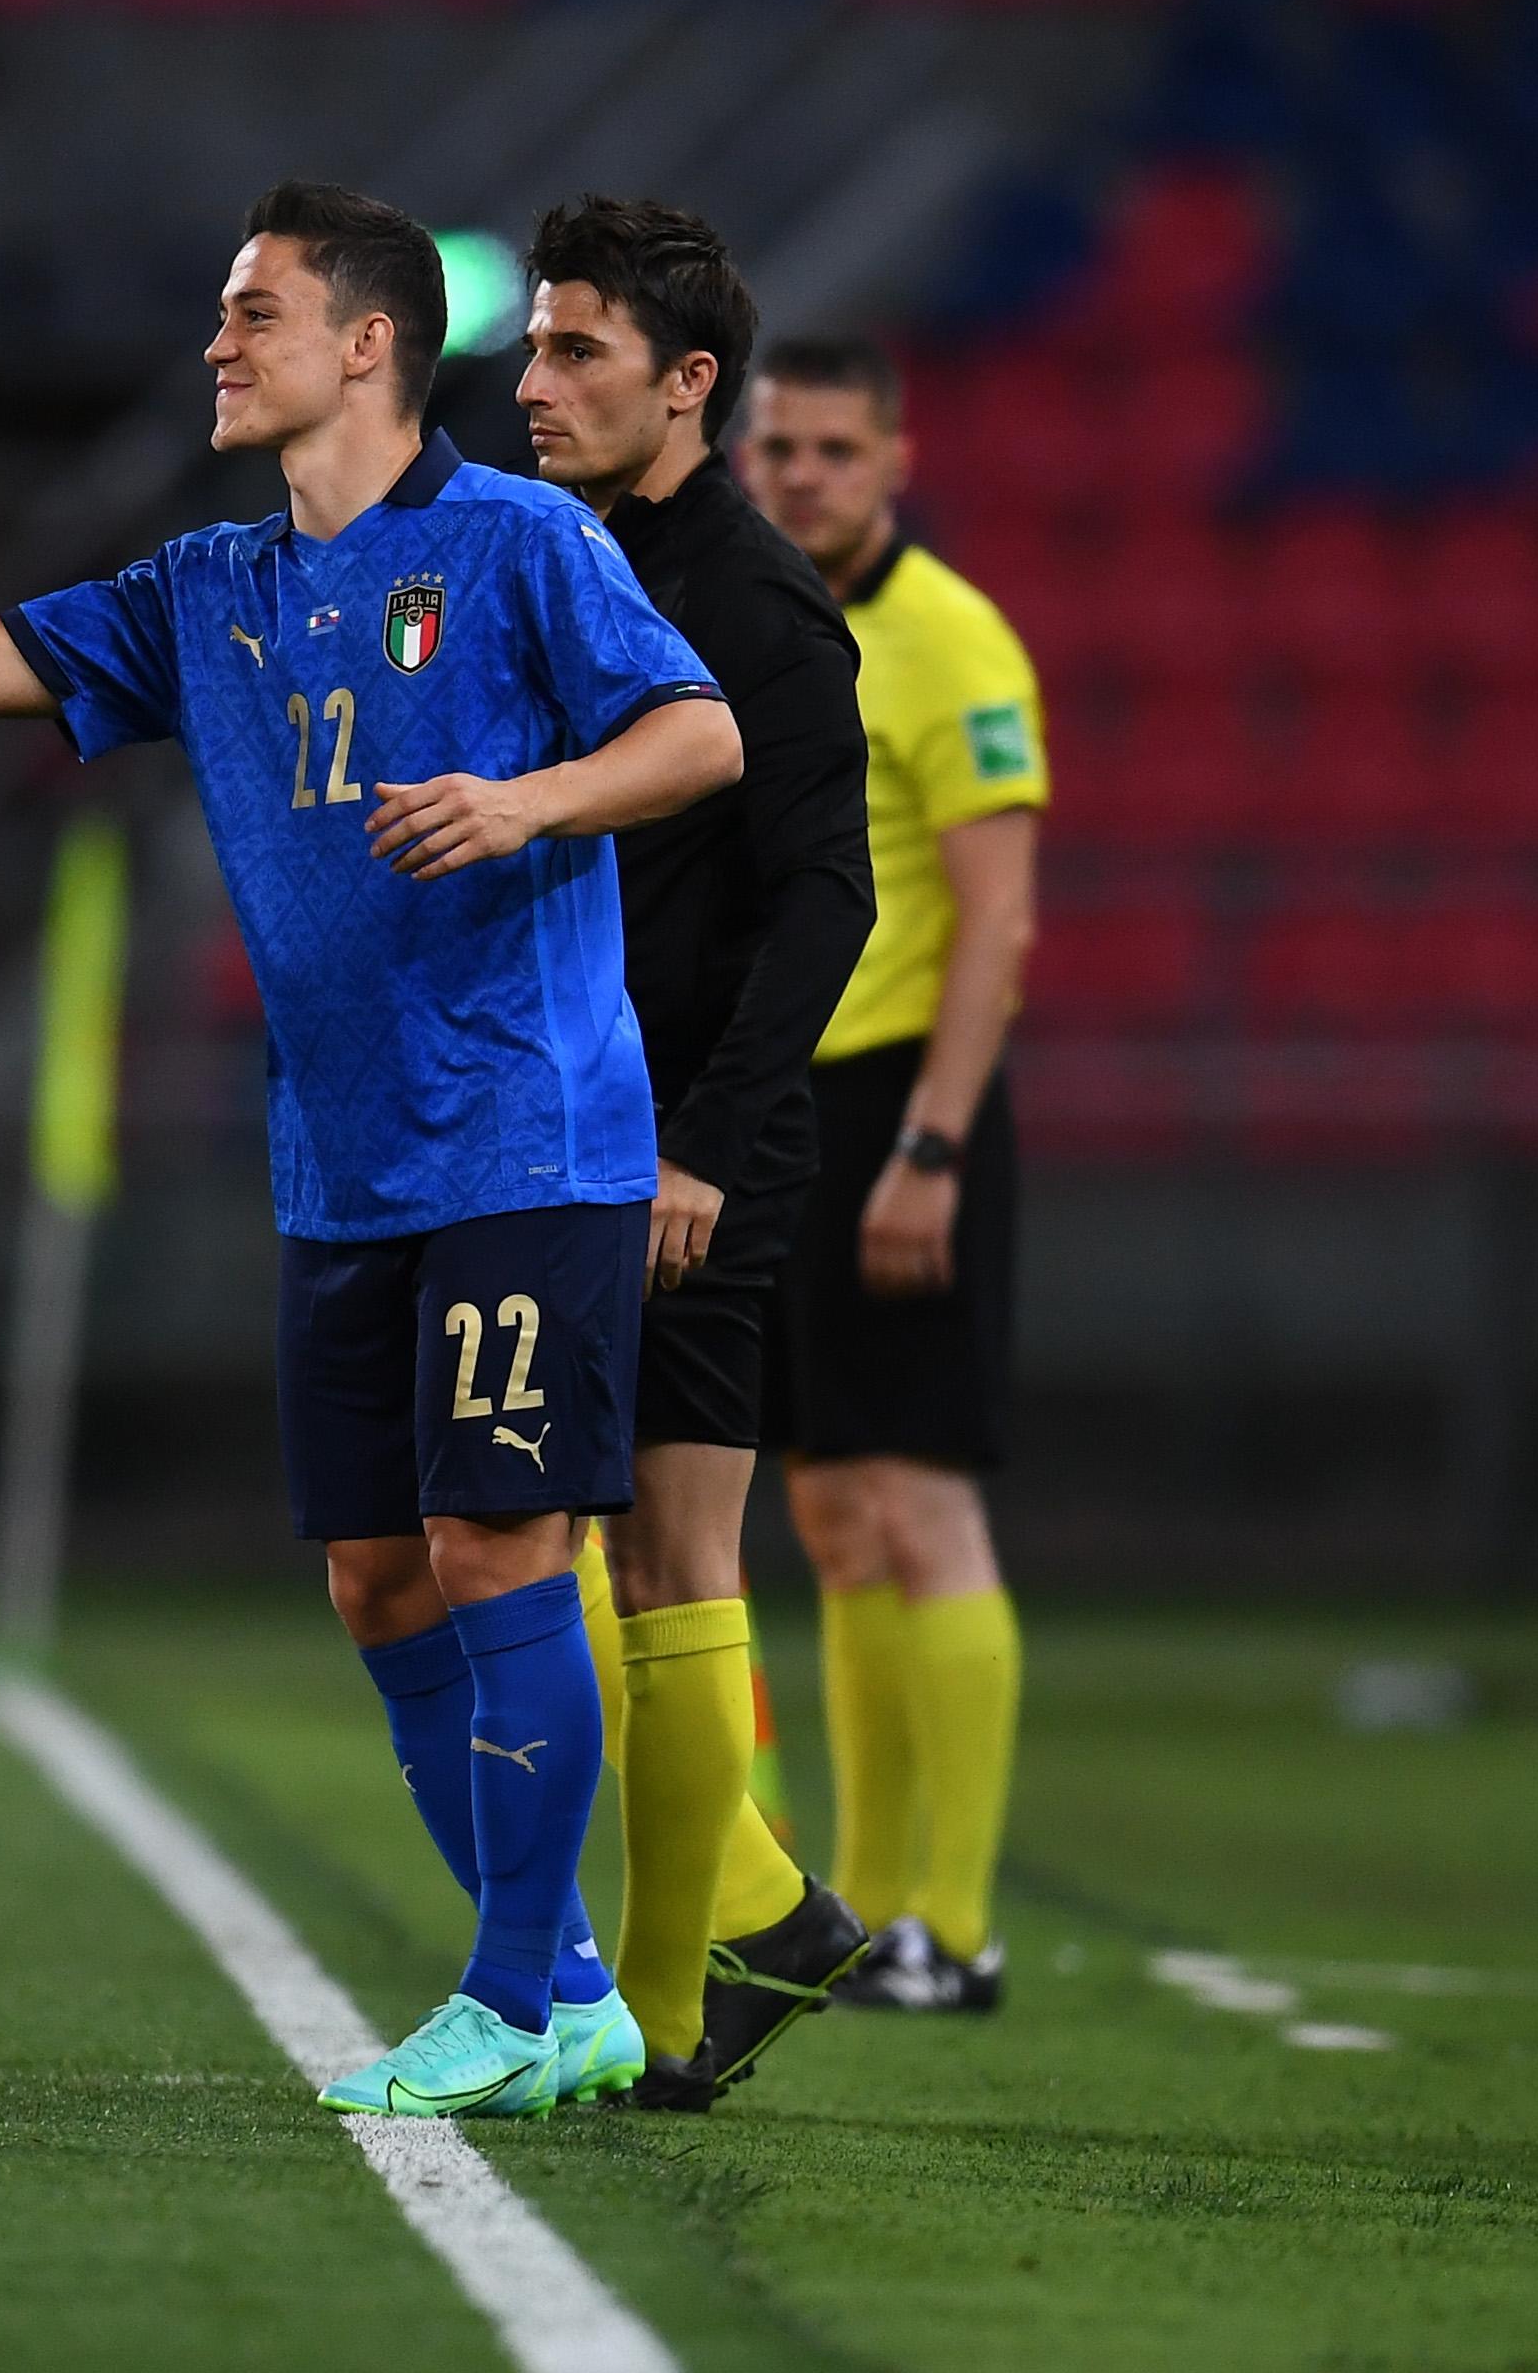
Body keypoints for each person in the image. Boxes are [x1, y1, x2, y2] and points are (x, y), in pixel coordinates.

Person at [0, 187, 745, 2120]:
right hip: (342, 1160)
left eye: (250, 312)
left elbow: (694, 736)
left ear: (368, 344)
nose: (216, 341)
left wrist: (524, 799)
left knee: (491, 1542)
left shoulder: (519, 539)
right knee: (376, 1578)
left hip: (527, 1137)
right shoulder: (209, 587)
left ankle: (515, 1997)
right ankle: (579, 1991)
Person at [513, 199, 876, 2109]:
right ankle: (750, 1917)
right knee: (540, 1532)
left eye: (577, 351)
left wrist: (705, 1151)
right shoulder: (550, 553)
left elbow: (824, 898)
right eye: (533, 345)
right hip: (553, 1126)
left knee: (658, 1557)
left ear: (686, 384)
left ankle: (662, 2007)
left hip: (678, 1154)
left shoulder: (747, 603)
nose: (533, 381)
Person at [735, 334, 1046, 2014]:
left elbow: (995, 918)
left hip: (901, 1115)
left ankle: (958, 1916)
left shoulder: (947, 640)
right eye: (775, 448)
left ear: (890, 462)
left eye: (830, 453)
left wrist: (929, 1143)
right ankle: (875, 1907)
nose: (797, 479)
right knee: (831, 1515)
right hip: (781, 1104)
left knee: (920, 1505)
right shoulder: (758, 625)